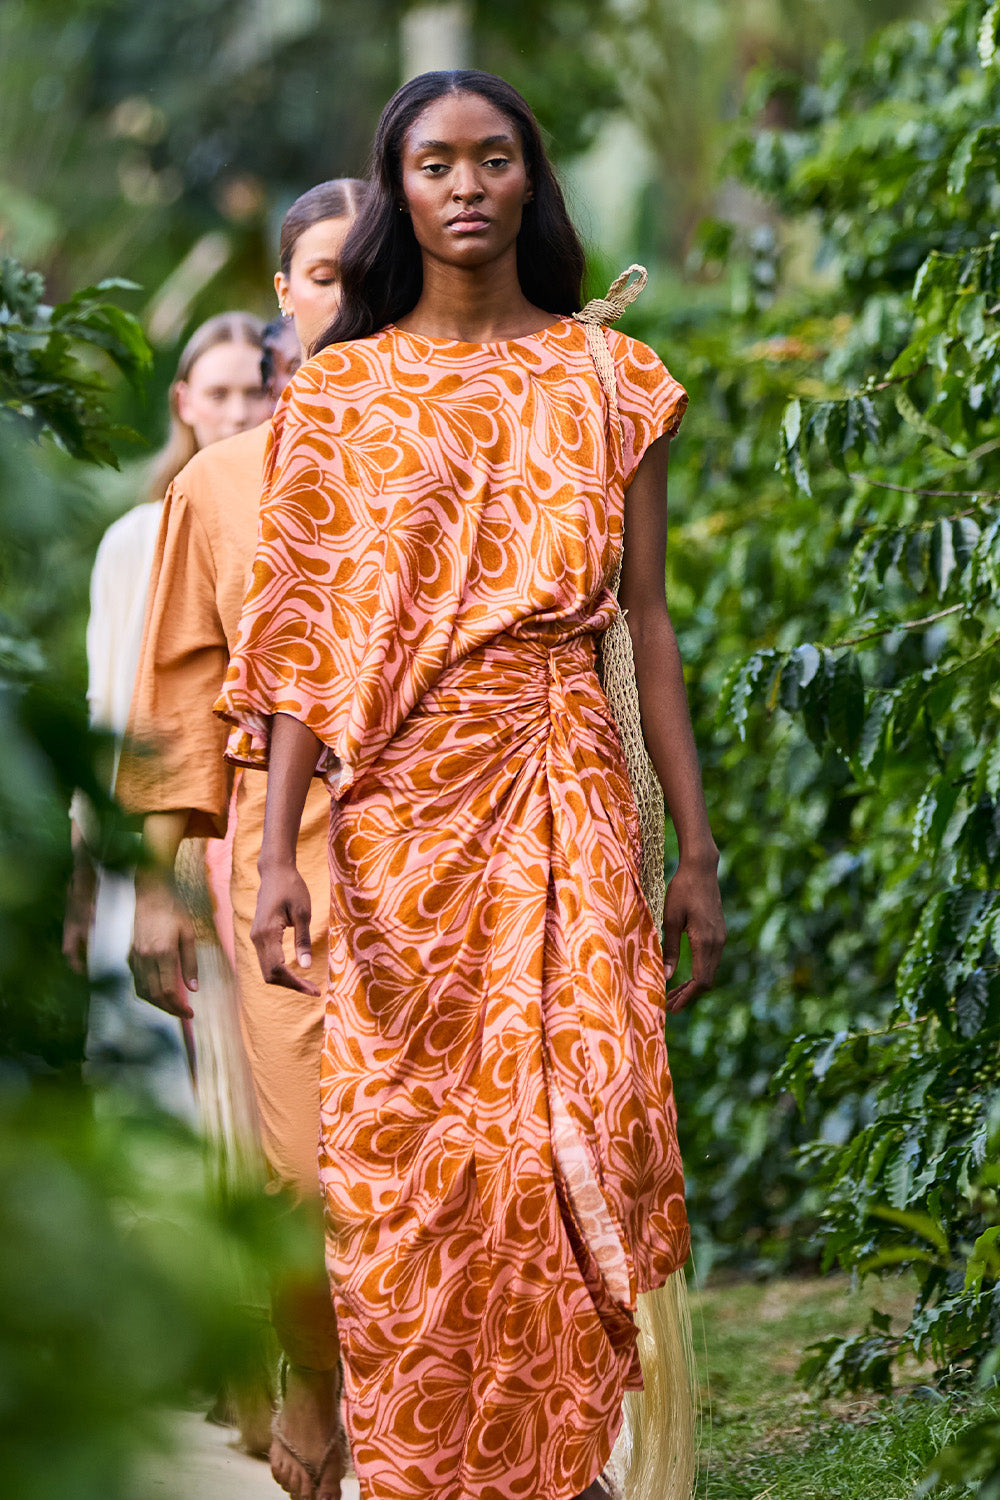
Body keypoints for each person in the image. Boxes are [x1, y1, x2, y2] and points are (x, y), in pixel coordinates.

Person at [217, 71, 726, 1500]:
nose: (466, 185)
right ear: (399, 194)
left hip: (567, 782)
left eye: (493, 158)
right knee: (418, 1178)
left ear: (528, 181)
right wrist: (273, 861)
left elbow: (646, 622)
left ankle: (562, 1465)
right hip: (400, 837)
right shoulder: (340, 395)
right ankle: (434, 1468)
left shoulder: (609, 381)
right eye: (434, 164)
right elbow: (305, 643)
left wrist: (692, 847)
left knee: (578, 1136)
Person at [117, 179, 368, 1499]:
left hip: (460, 847)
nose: (347, 288)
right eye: (322, 271)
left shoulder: (473, 446)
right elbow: (178, 693)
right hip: (290, 863)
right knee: (304, 1175)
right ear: (285, 296)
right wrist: (163, 885)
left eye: (365, 265)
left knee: (457, 1158)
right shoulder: (216, 488)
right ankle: (315, 1386)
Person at [64, 311, 273, 1116]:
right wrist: (88, 885)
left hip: (261, 837)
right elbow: (114, 715)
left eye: (255, 389)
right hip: (165, 836)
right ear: (184, 401)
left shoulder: (301, 527)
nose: (237, 410)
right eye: (217, 392)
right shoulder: (134, 540)